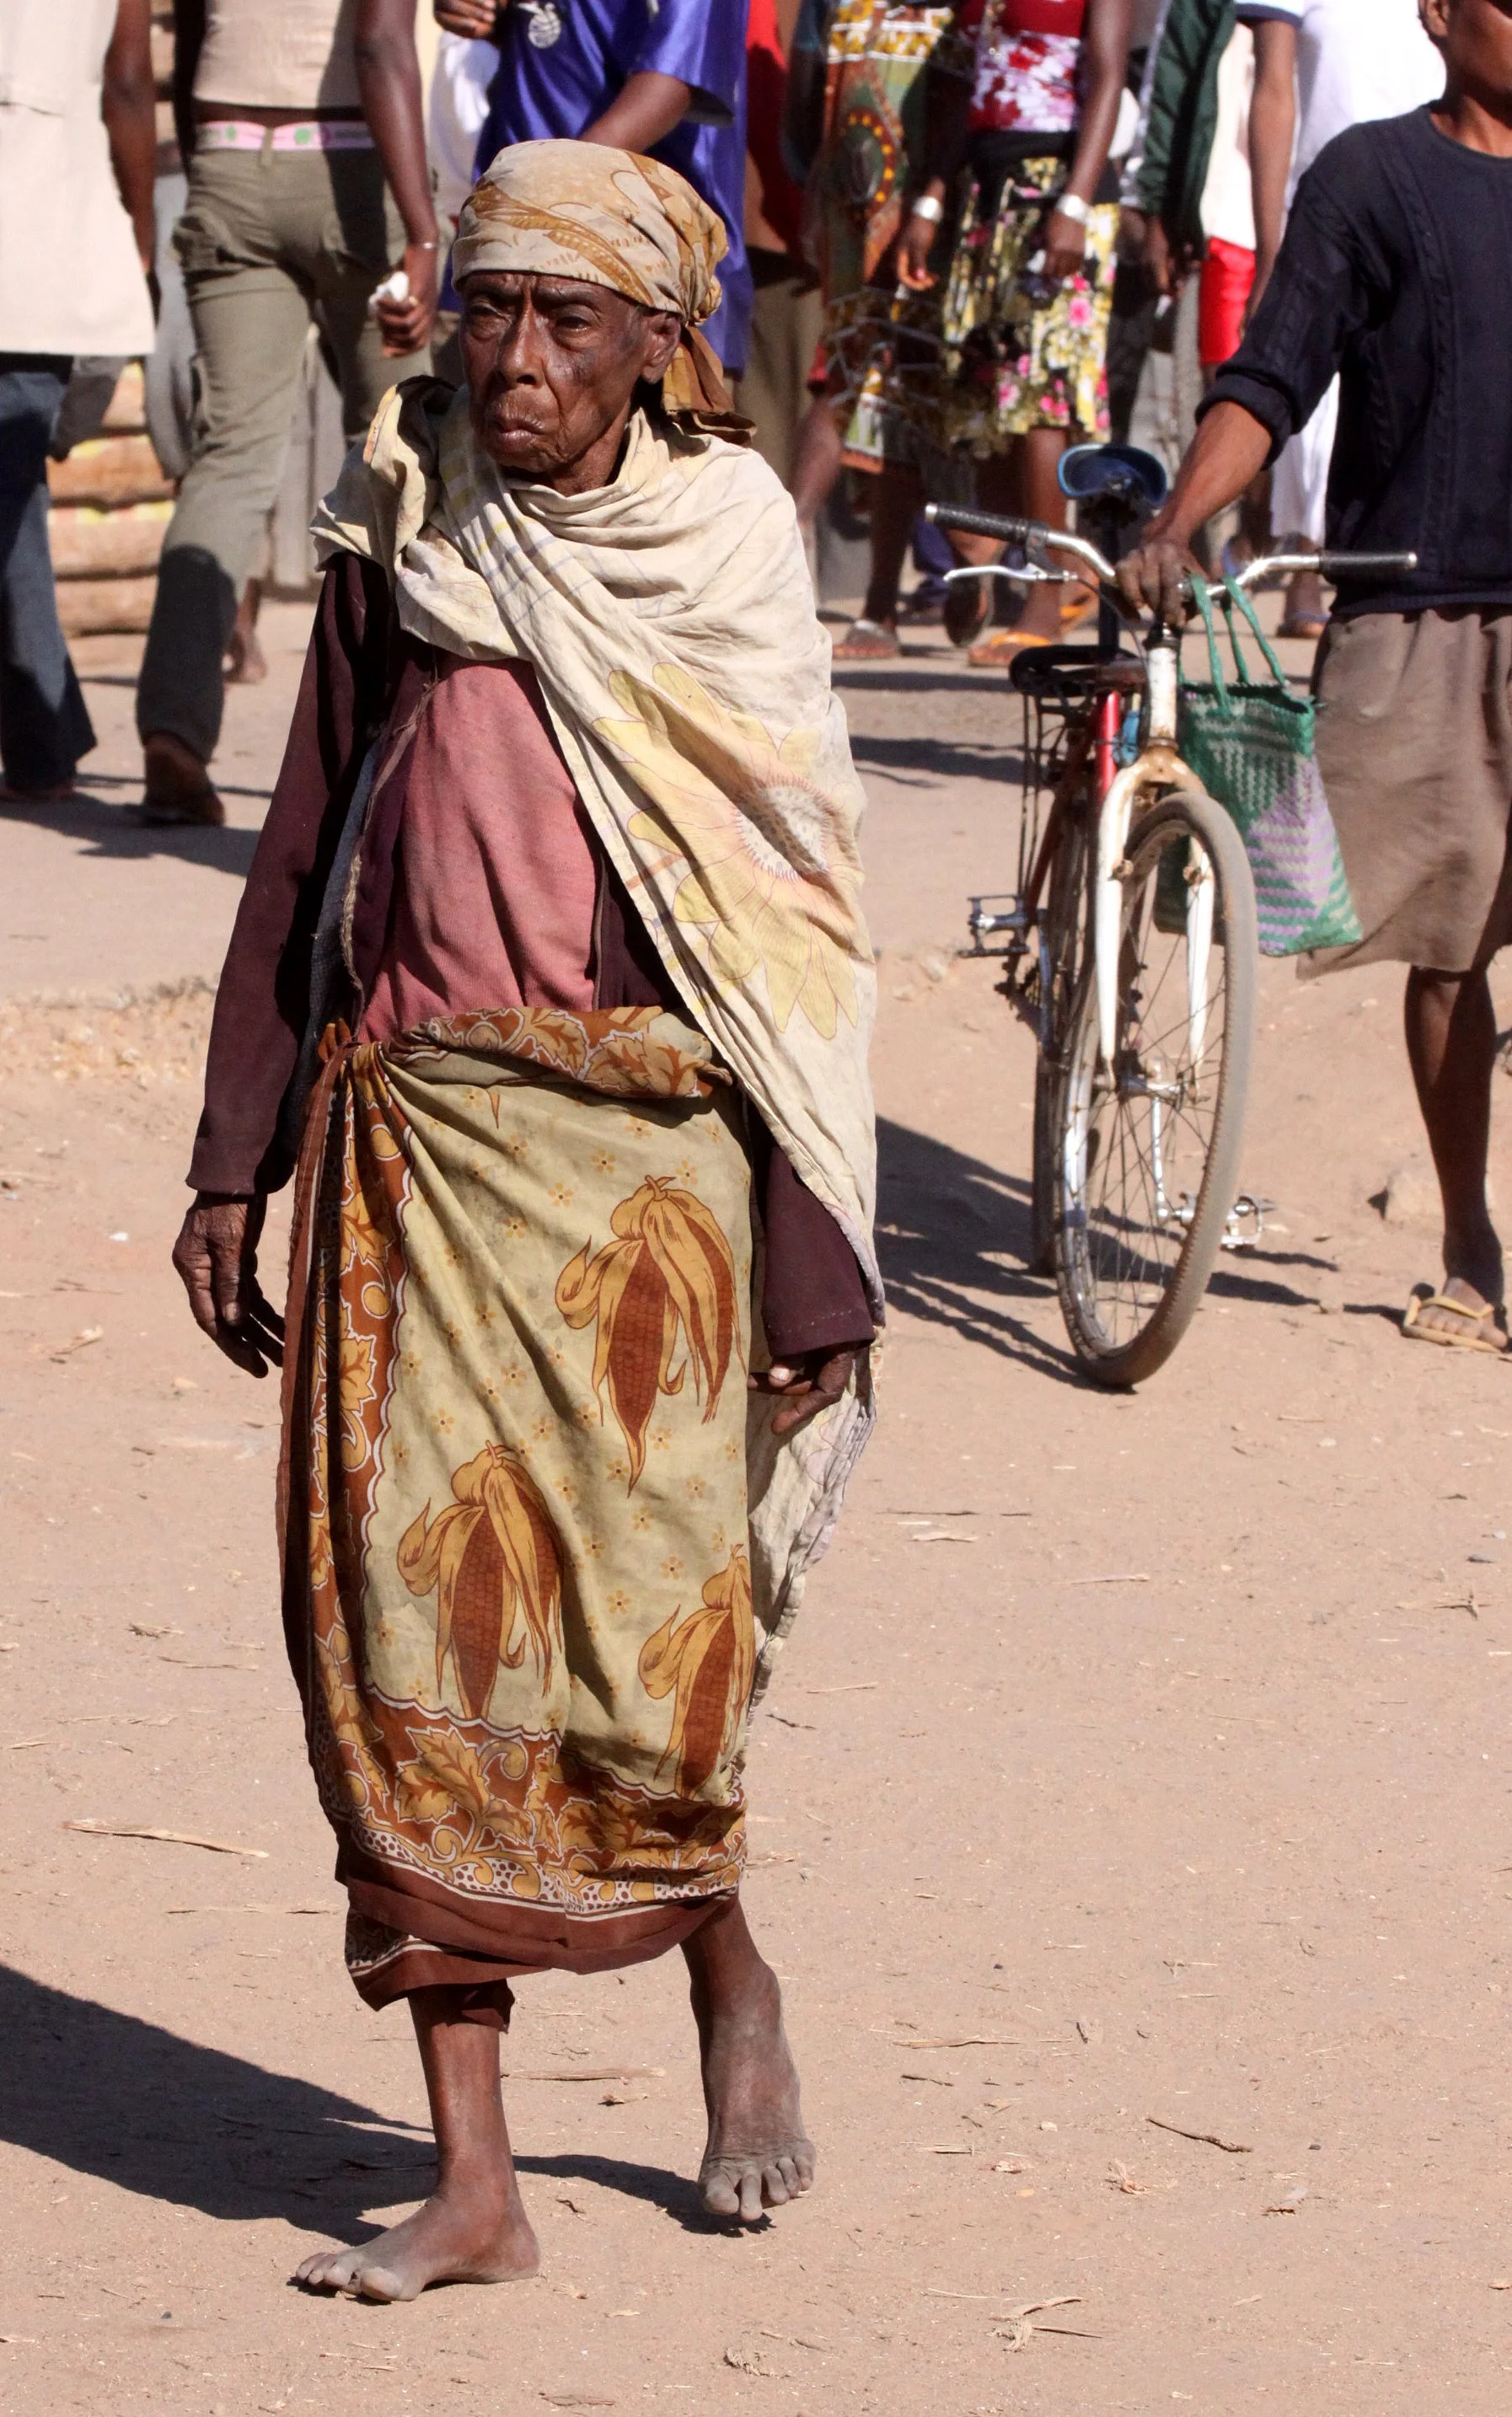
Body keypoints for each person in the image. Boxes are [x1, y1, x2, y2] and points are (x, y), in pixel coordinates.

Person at [171, 138, 880, 2296]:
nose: (518, 358)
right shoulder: (413, 531)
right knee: (397, 1651)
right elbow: (308, 835)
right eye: (488, 309)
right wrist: (234, 1146)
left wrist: (812, 1243)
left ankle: (725, 1974)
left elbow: (786, 928)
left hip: (648, 1175)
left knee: (651, 1660)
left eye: (569, 319)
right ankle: (473, 2173)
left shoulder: (724, 551)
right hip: (414, 1154)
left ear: (666, 348)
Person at [1118, 0, 1512, 1359]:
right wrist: (1173, 526)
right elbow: (1269, 378)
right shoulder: (1369, 179)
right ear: (1441, 17)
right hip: (1420, 616)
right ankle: (1468, 1245)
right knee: (1449, 948)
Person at [131, 0, 438, 828]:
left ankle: (174, 731)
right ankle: (406, 729)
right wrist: (423, 234)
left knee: (229, 452)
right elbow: (378, 42)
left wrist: (213, 174)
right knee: (399, 450)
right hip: (355, 163)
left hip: (228, 156)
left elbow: (194, 35)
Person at [902, 0, 1134, 667]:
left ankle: (1047, 596)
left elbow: (1109, 77)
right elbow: (969, 93)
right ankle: (988, 548)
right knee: (989, 387)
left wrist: (1074, 204)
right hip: (990, 190)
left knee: (1041, 396)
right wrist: (932, 199)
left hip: (1059, 188)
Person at [782, 0, 977, 659]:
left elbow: (970, 103)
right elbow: (804, 106)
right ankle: (805, 549)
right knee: (846, 377)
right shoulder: (837, 6)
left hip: (942, 216)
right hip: (853, 214)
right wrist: (817, 190)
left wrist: (933, 202)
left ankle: (970, 555)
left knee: (928, 393)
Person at [0, 0, 155, 803]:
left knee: (12, 500)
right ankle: (42, 741)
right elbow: (127, 81)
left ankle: (42, 741)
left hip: (31, 237)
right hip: (34, 237)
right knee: (11, 496)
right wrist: (140, 228)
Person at [1251, 0, 1443, 639]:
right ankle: (1309, 561)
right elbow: (1274, 92)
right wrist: (1268, 249)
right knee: (1317, 401)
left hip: (1439, 196)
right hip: (1326, 207)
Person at [448, 0, 753, 376]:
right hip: (505, 259)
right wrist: (483, 17)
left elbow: (675, 79)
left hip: (647, 274)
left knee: (642, 435)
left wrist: (539, 194)